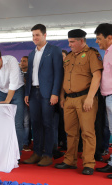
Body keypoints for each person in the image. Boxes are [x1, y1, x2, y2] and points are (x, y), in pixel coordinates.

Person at [55, 29, 103, 175]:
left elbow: (97, 76)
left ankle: (88, 163)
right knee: (70, 133)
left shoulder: (91, 54)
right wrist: (62, 97)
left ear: (81, 41)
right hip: (69, 99)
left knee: (88, 133)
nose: (69, 45)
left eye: (72, 42)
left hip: (85, 98)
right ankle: (70, 160)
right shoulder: (68, 57)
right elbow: (64, 78)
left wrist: (90, 97)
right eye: (69, 42)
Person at [23, 24, 63, 166]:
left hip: (48, 94)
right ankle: (37, 153)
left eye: (37, 35)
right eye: (33, 35)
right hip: (33, 93)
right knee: (35, 124)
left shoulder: (54, 50)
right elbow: (29, 74)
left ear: (45, 35)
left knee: (48, 124)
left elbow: (59, 73)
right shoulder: (32, 53)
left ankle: (48, 154)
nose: (35, 38)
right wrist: (27, 92)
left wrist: (55, 93)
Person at [94, 23, 112, 179]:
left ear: (109, 38)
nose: (97, 42)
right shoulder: (108, 52)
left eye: (99, 38)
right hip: (108, 96)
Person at [20, 56, 31, 151]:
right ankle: (23, 142)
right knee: (23, 122)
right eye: (21, 61)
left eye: (24, 61)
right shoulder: (17, 73)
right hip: (19, 100)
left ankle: (26, 142)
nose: (22, 63)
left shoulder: (31, 73)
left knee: (27, 123)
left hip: (31, 100)